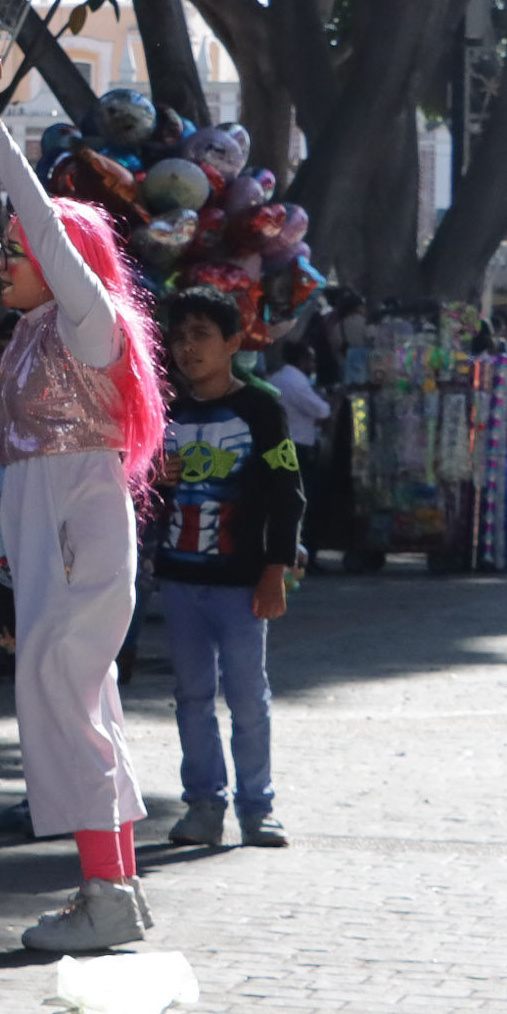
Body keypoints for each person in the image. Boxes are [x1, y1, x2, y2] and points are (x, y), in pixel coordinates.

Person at [0, 43, 169, 954]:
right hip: (51, 536)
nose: (3, 260)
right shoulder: (37, 331)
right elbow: (33, 434)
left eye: (17, 249)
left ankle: (105, 895)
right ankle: (114, 889)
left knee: (61, 699)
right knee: (81, 702)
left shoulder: (88, 319)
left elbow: (43, 222)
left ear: (61, 257)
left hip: (79, 535)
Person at [152, 290, 303, 851]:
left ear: (233, 343)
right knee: (191, 695)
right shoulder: (165, 408)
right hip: (180, 578)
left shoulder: (262, 408)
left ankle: (257, 808)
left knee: (247, 698)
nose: (187, 348)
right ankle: (202, 805)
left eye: (201, 335)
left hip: (242, 585)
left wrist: (275, 569)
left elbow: (287, 492)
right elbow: (135, 483)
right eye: (179, 336)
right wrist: (150, 477)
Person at [267, 340, 334, 451]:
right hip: (296, 444)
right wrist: (331, 404)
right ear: (302, 360)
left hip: (275, 441)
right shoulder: (297, 383)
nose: (314, 366)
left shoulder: (275, 378)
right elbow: (321, 411)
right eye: (312, 361)